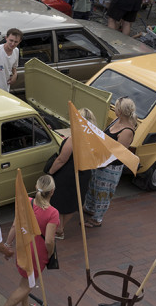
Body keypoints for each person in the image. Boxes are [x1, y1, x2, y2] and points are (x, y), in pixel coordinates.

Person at [0, 174, 58, 306]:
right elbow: (49, 240)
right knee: (26, 286)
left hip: (24, 248)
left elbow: (15, 225)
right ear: (52, 191)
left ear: (36, 187)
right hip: (37, 253)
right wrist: (49, 254)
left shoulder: (27, 202)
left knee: (26, 280)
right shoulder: (53, 213)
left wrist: (8, 244)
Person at [83, 97, 137, 228]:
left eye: (116, 107)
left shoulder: (127, 131)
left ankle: (97, 219)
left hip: (110, 167)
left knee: (104, 192)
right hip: (101, 161)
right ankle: (90, 208)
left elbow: (116, 154)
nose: (114, 108)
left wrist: (102, 163)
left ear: (121, 111)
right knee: (93, 186)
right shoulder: (116, 121)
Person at [47, 108, 97, 239]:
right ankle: (61, 228)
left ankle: (58, 228)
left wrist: (50, 173)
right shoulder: (94, 138)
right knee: (73, 203)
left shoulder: (73, 139)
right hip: (84, 173)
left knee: (58, 202)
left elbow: (61, 159)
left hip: (67, 174)